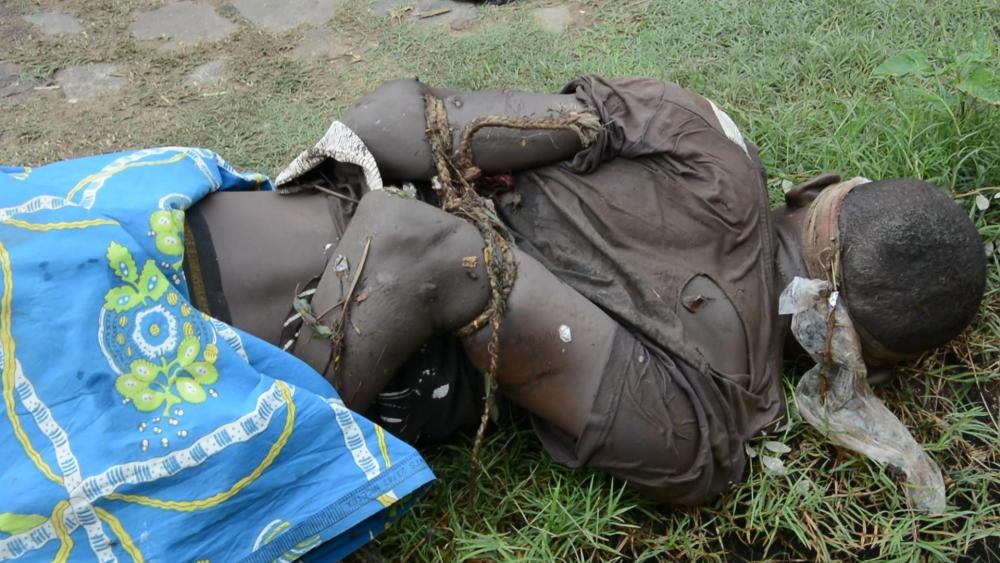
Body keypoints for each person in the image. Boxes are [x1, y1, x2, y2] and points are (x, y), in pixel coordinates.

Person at [187, 76, 986, 506]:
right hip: (200, 393)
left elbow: (394, 119)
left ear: (813, 190)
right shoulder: (706, 428)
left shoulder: (693, 139)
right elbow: (426, 255)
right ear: (849, 371)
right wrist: (253, 496)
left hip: (166, 220)